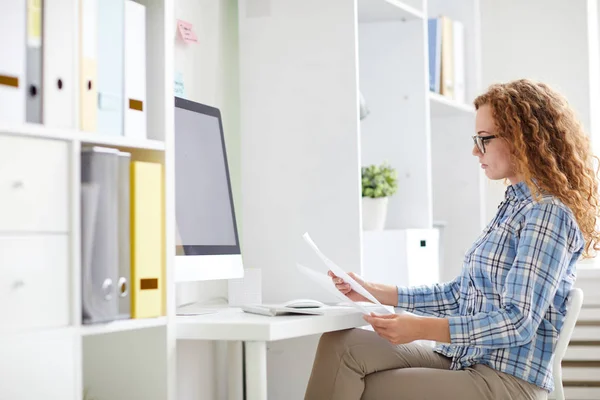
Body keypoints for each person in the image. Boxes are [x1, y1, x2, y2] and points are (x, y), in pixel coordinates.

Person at [304, 79, 600, 400]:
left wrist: (419, 328)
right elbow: (460, 295)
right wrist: (374, 291)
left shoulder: (547, 214)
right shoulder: (514, 205)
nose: (475, 150)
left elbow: (517, 322)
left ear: (523, 139)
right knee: (342, 345)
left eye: (484, 139)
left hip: (505, 381)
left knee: (367, 388)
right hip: (465, 359)